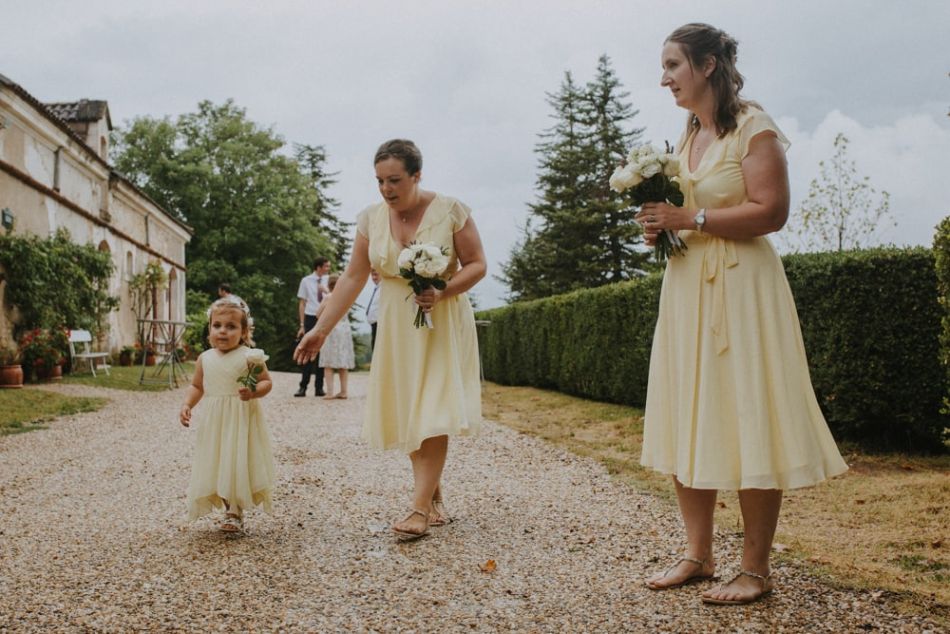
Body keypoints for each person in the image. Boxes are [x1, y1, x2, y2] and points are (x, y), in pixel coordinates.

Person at [637, 23, 848, 605]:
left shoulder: (753, 126)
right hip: (686, 291)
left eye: (674, 65)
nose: (665, 78)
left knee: (748, 410)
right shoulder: (686, 137)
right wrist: (661, 227)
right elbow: (684, 216)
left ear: (707, 66)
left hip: (743, 289)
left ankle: (755, 568)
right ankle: (697, 554)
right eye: (664, 67)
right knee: (688, 410)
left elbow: (772, 210)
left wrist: (692, 220)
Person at [295, 139, 485, 540]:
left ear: (417, 175)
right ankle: (431, 492)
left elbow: (478, 265)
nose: (386, 189)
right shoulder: (370, 219)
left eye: (395, 180)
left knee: (433, 409)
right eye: (379, 181)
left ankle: (417, 509)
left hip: (441, 319)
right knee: (408, 411)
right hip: (398, 326)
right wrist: (320, 329)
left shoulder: (451, 210)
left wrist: (443, 290)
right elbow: (352, 278)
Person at [180, 297, 275, 534]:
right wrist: (187, 404)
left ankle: (234, 512)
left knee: (236, 460)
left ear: (244, 332)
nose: (223, 331)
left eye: (231, 327)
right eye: (217, 325)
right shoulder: (205, 358)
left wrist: (253, 392)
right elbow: (198, 386)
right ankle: (226, 507)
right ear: (210, 328)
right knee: (217, 461)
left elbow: (266, 382)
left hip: (240, 420)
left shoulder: (250, 357)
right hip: (215, 422)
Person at [295, 257, 331, 397]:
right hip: (310, 317)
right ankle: (303, 387)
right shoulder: (306, 281)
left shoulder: (328, 280)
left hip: (324, 316)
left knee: (321, 352)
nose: (328, 268)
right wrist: (302, 324)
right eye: (326, 266)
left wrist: (326, 289)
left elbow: (333, 296)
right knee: (306, 349)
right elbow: (302, 303)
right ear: (318, 267)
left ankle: (319, 387)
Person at [316, 274, 355, 399]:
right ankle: (344, 391)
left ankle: (330, 392)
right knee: (342, 362)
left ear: (329, 284)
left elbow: (318, 314)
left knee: (328, 363)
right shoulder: (346, 297)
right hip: (345, 330)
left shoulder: (328, 297)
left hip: (332, 330)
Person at [365, 269, 381, 352]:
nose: (374, 278)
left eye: (376, 275)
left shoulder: (384, 288)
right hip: (374, 325)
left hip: (380, 325)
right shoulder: (377, 288)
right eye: (372, 275)